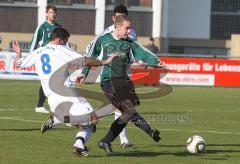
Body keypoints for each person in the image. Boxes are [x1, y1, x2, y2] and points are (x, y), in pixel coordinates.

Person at [12, 27, 116, 157]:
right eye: (66, 41)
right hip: (65, 91)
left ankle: (78, 144)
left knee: (86, 124)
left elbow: (18, 64)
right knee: (93, 119)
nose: (66, 44)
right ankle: (58, 119)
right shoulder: (62, 49)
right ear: (60, 40)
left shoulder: (38, 52)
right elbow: (85, 60)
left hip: (51, 96)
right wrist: (105, 61)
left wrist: (18, 54)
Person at [81, 15, 167, 154]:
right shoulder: (103, 40)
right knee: (127, 111)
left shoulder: (129, 43)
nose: (129, 31)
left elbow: (143, 53)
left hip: (124, 82)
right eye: (127, 28)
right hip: (108, 82)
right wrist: (83, 73)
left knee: (129, 112)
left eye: (130, 28)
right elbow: (90, 57)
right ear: (118, 27)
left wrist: (156, 62)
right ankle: (88, 122)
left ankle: (105, 141)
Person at [86, 4, 136, 149]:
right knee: (124, 108)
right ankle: (123, 140)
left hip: (124, 75)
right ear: (114, 18)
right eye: (118, 17)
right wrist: (91, 66)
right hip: (110, 76)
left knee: (121, 108)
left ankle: (92, 118)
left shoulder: (131, 32)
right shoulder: (106, 34)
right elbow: (91, 48)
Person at [30, 4, 62, 113]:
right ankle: (43, 106)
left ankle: (41, 106)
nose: (52, 14)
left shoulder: (59, 27)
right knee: (49, 81)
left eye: (54, 12)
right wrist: (31, 56)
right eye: (50, 12)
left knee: (53, 81)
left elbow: (62, 43)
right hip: (44, 58)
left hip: (56, 58)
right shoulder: (42, 27)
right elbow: (34, 41)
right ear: (46, 14)